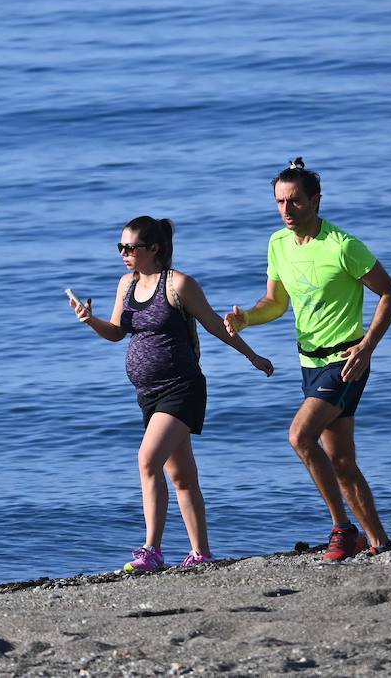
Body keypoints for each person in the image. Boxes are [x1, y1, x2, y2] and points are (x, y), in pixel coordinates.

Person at [68, 215, 274, 573]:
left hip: (183, 387)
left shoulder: (179, 284)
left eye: (130, 247)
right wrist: (90, 321)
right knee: (181, 477)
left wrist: (252, 356)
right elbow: (117, 332)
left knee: (147, 460)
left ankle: (152, 550)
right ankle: (201, 553)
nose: (124, 254)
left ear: (154, 249)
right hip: (148, 393)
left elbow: (214, 325)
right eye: (121, 247)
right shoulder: (126, 284)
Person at [224, 158, 391, 561]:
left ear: (316, 201)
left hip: (347, 360)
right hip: (309, 363)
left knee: (300, 437)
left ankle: (342, 529)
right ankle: (379, 544)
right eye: (280, 202)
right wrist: (246, 318)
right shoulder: (278, 244)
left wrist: (368, 345)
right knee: (341, 461)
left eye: (295, 201)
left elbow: (390, 293)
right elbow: (275, 302)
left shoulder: (343, 246)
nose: (287, 210)